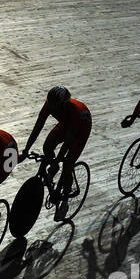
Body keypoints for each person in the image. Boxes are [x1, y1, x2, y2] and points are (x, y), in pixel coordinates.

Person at [19, 86, 92, 220]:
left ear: (64, 104)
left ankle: (65, 195)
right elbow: (37, 127)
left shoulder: (74, 111)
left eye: (56, 106)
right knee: (47, 146)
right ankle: (55, 168)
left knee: (68, 164)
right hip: (66, 124)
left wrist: (57, 161)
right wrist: (26, 150)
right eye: (50, 105)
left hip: (81, 129)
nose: (52, 108)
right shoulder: (49, 104)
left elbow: (68, 142)